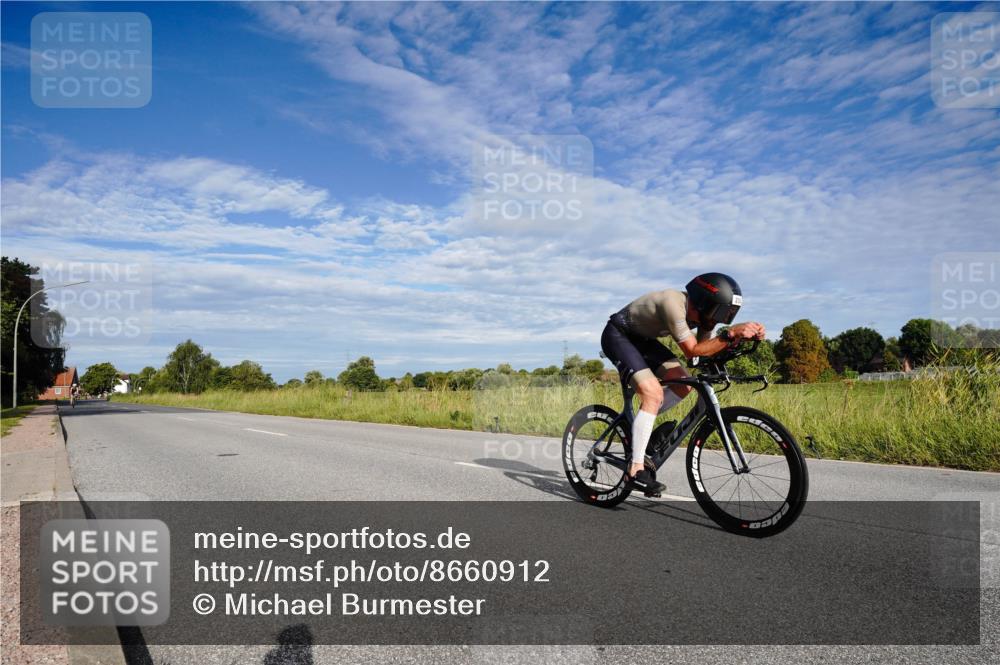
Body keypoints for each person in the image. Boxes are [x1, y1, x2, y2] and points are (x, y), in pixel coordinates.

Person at [600, 273, 766, 494]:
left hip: (644, 341)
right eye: (719, 312)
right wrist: (730, 334)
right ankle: (635, 470)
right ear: (702, 301)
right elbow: (692, 350)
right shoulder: (673, 303)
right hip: (618, 335)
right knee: (653, 394)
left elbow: (700, 356)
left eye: (727, 315)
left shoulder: (704, 318)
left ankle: (642, 431)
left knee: (684, 384)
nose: (720, 319)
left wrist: (737, 340)